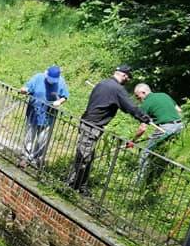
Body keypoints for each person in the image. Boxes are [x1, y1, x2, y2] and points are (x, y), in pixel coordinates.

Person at [65, 65, 151, 195]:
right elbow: (130, 106)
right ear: (124, 75)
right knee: (84, 156)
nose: (128, 80)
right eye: (128, 77)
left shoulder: (103, 83)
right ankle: (70, 186)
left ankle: (81, 186)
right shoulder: (117, 89)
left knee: (87, 156)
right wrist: (143, 118)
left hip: (88, 122)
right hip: (92, 125)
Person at [127, 83, 183, 179]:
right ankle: (159, 171)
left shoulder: (146, 104)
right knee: (163, 150)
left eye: (137, 96)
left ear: (143, 92)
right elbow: (179, 110)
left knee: (146, 153)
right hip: (180, 126)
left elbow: (142, 128)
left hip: (165, 128)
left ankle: (138, 181)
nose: (137, 99)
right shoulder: (164, 95)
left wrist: (133, 141)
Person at [18, 65, 69, 168]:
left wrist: (59, 102)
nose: (51, 81)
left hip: (48, 116)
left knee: (42, 139)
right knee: (29, 136)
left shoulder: (61, 82)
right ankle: (25, 157)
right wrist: (24, 90)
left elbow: (65, 96)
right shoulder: (38, 78)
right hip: (34, 112)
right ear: (46, 75)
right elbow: (27, 88)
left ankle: (35, 158)